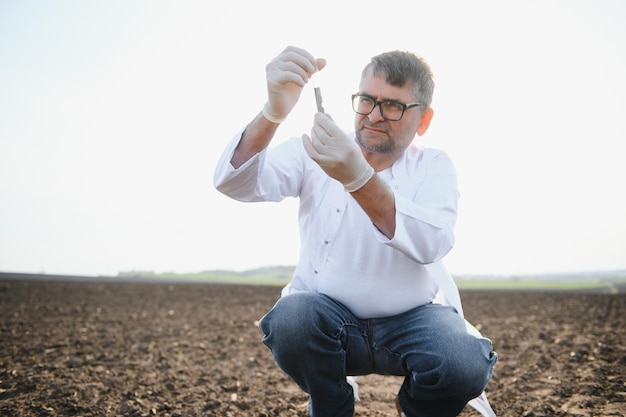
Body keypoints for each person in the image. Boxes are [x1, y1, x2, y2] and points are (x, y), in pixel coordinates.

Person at [214, 45, 497, 417]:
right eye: (367, 100)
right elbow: (236, 183)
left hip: (415, 320)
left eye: (394, 106)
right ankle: (331, 407)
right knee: (292, 320)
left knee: (462, 362)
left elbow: (434, 241)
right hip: (328, 318)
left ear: (423, 121)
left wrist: (359, 179)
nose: (375, 116)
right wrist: (271, 113)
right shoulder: (315, 149)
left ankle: (413, 407)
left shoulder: (433, 164)